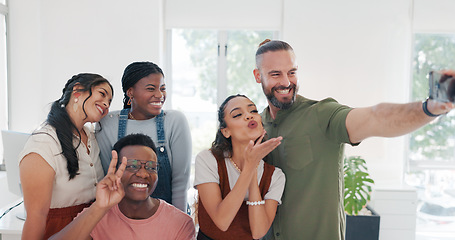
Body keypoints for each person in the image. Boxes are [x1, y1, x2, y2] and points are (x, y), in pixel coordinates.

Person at [252, 39, 455, 240]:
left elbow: (375, 117)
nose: (287, 82)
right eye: (276, 74)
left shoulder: (322, 114)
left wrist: (430, 108)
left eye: (292, 72)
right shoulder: (255, 127)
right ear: (258, 76)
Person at [19, 73, 114, 239]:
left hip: (96, 230)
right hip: (60, 232)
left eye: (110, 101)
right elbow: (36, 219)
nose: (106, 104)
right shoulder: (44, 143)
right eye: (102, 94)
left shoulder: (93, 137)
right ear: (77, 91)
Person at [49, 133, 196, 240]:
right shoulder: (96, 216)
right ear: (114, 170)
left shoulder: (181, 224)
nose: (143, 174)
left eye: (151, 167)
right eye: (132, 165)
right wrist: (100, 207)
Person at [96, 61, 191, 213]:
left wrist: (180, 225)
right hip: (121, 217)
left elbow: (181, 183)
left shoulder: (175, 121)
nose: (159, 95)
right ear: (130, 92)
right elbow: (107, 178)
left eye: (162, 89)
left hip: (169, 217)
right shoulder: (108, 123)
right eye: (151, 89)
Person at [194, 94, 286, 240]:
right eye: (237, 114)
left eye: (253, 111)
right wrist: (249, 167)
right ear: (226, 131)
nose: (249, 116)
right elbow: (222, 221)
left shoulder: (275, 176)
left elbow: (258, 232)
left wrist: (252, 169)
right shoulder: (208, 160)